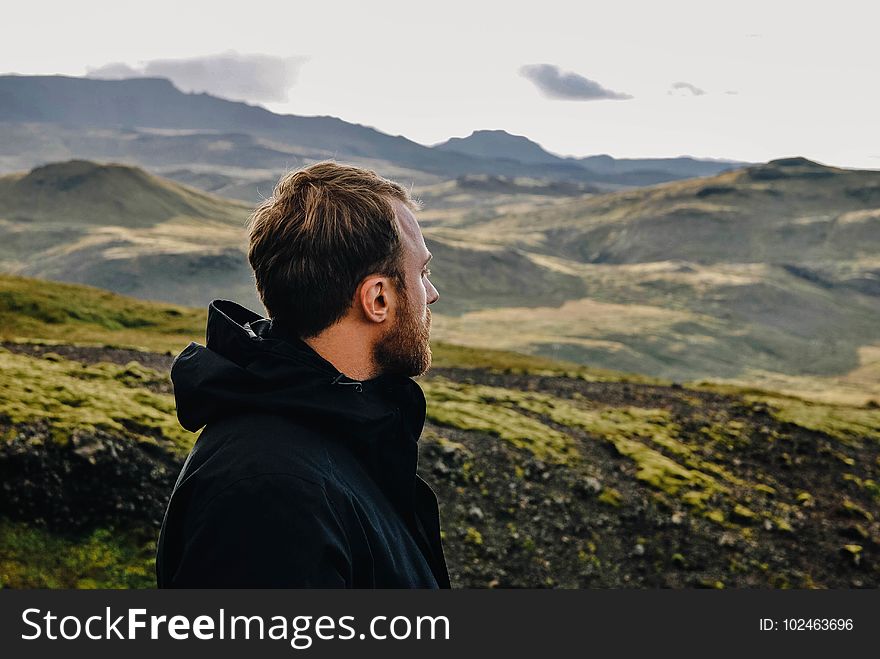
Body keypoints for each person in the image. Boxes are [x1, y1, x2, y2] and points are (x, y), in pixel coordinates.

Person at [155, 161, 450, 588]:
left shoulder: (341, 433)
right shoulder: (271, 494)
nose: (432, 294)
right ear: (378, 298)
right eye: (421, 273)